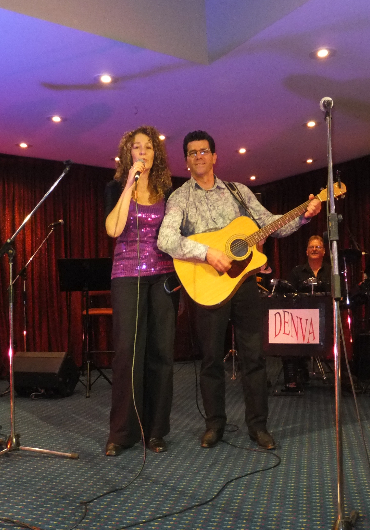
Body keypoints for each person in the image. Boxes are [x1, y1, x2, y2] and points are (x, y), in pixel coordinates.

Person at [157, 130, 321, 449]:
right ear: (186, 160)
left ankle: (258, 425)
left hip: (244, 284)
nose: (198, 156)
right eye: (192, 153)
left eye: (204, 151)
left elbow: (271, 223)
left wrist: (303, 215)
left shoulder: (238, 192)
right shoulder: (180, 198)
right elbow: (166, 239)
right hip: (206, 286)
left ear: (215, 156)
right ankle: (214, 424)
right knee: (210, 361)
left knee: (254, 357)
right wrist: (207, 253)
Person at [103, 125, 179, 456]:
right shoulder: (114, 187)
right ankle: (122, 433)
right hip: (126, 275)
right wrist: (129, 185)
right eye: (137, 147)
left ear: (156, 154)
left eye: (149, 147)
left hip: (164, 276)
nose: (143, 151)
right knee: (127, 353)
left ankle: (156, 430)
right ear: (129, 153)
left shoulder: (168, 191)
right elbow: (113, 229)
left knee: (161, 353)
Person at [280, 235, 332, 392]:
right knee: (286, 332)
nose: (314, 249)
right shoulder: (297, 272)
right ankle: (294, 376)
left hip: (327, 320)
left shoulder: (332, 271)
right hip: (301, 322)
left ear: (324, 251)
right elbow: (288, 296)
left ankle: (342, 376)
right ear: (306, 251)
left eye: (318, 247)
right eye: (311, 247)